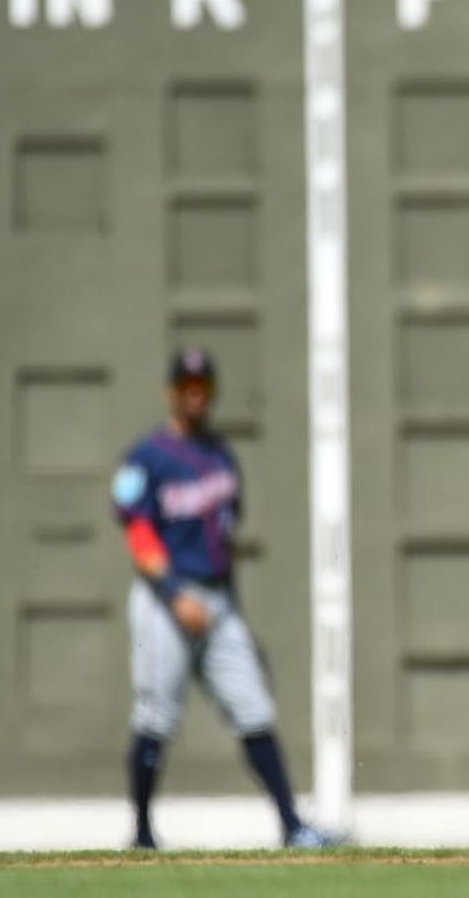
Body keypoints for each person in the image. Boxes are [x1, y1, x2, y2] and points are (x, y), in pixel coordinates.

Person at [109, 348, 343, 850]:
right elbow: (140, 536)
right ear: (171, 392)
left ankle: (292, 826)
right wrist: (174, 596)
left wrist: (233, 612)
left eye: (203, 386)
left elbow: (225, 537)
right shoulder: (145, 458)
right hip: (163, 601)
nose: (196, 395)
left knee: (254, 708)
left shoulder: (220, 455)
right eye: (187, 386)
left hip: (217, 600)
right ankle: (143, 834)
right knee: (156, 717)